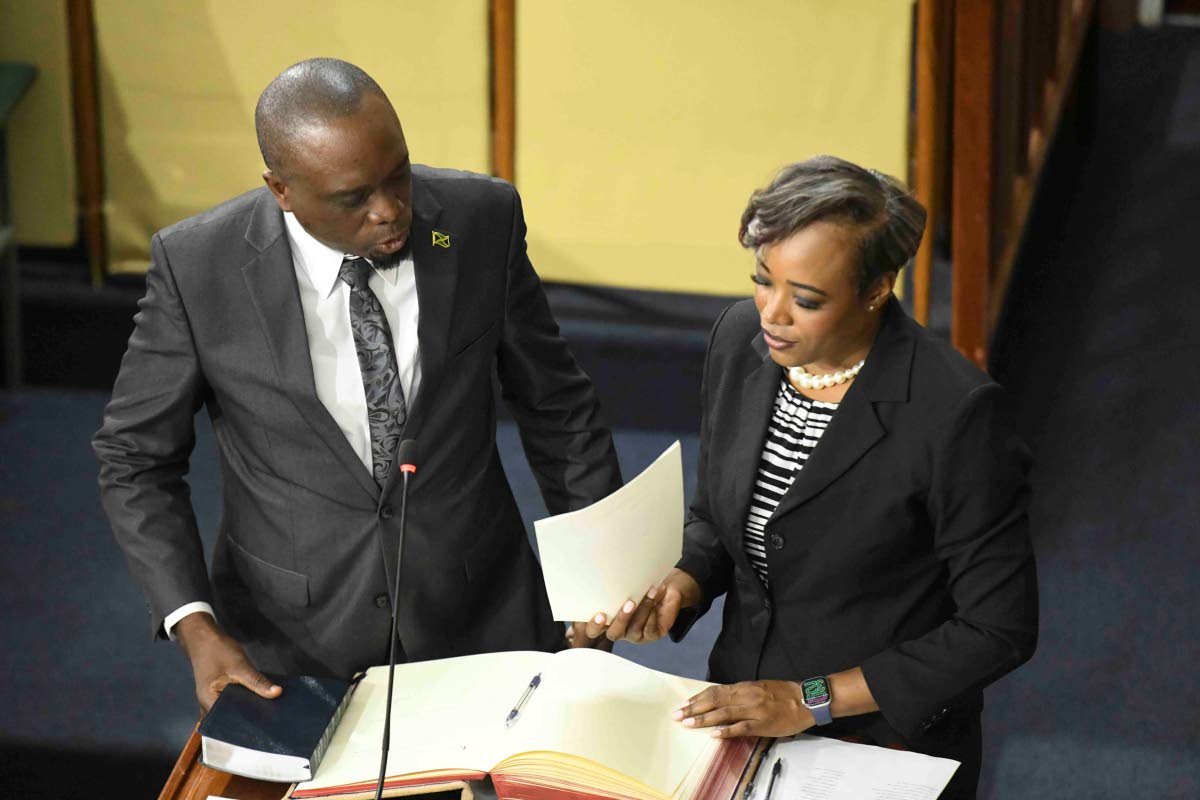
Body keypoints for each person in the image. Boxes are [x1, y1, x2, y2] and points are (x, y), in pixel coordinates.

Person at [93, 58, 622, 711]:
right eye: (353, 198)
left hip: (482, 617)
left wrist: (601, 571)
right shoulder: (199, 267)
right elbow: (135, 460)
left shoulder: (481, 219)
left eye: (397, 173)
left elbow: (557, 404)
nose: (390, 210)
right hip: (291, 646)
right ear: (281, 190)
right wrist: (195, 626)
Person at [584, 156, 1038, 799]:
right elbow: (719, 514)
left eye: (807, 300)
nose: (773, 313)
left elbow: (999, 627)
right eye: (763, 281)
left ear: (878, 288)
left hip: (878, 740)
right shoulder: (740, 341)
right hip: (739, 713)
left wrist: (809, 700)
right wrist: (681, 586)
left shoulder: (955, 413)